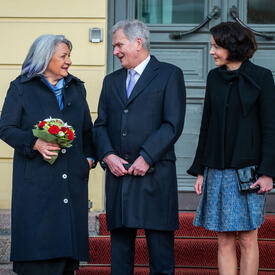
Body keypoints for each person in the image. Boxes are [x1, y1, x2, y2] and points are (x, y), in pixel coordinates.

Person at [93, 20, 186, 274]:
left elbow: (172, 124)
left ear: (138, 42)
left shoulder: (169, 74)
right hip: (119, 175)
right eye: (113, 46)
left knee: (161, 256)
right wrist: (108, 155)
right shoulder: (111, 81)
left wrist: (146, 157)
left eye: (118, 45)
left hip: (155, 175)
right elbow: (100, 125)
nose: (115, 51)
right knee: (120, 258)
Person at [0, 34, 96, 275]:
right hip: (36, 185)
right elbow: (5, 128)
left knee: (66, 260)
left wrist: (89, 161)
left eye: (69, 56)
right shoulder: (21, 87)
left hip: (71, 182)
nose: (69, 61)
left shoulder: (76, 87)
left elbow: (87, 132)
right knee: (39, 257)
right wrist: (35, 143)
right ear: (45, 58)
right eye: (63, 56)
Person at [187, 22, 275, 275]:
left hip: (249, 172)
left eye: (216, 46)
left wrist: (268, 172)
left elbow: (271, 127)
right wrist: (201, 170)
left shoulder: (261, 77)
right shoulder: (214, 77)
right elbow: (207, 125)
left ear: (232, 47)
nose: (211, 51)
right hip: (217, 168)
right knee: (224, 239)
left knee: (248, 239)